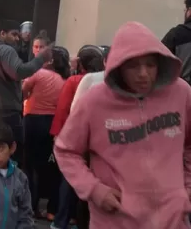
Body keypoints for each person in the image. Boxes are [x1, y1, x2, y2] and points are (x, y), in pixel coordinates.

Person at [54, 21, 191, 229]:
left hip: (172, 221)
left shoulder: (182, 93)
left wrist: (186, 189)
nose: (143, 73)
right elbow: (66, 150)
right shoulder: (95, 101)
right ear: (118, 66)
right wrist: (94, 190)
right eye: (133, 66)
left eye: (150, 64)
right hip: (115, 220)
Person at [0, 20, 52, 165]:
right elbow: (19, 71)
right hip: (3, 113)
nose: (18, 38)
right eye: (14, 34)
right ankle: (4, 187)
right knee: (11, 157)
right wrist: (41, 58)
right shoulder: (4, 50)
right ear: (2, 34)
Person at [49, 45, 105, 229]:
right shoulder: (106, 80)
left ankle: (61, 221)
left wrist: (58, 135)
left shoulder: (75, 81)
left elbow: (64, 109)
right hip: (99, 140)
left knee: (69, 178)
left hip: (73, 136)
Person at [21, 38, 69, 219]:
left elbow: (23, 92)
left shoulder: (37, 74)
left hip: (32, 120)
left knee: (28, 165)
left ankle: (30, 206)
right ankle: (45, 207)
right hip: (50, 123)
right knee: (42, 166)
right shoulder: (63, 80)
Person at [162, 0, 191, 84]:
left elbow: (159, 64)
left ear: (189, 11)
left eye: (185, 10)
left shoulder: (176, 34)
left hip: (180, 91)